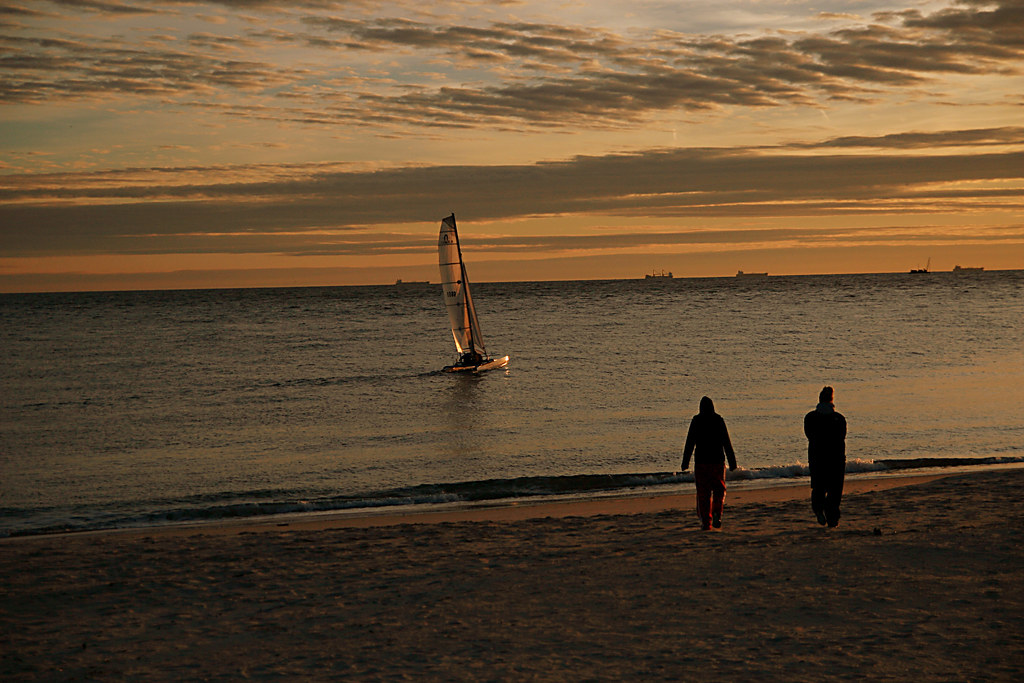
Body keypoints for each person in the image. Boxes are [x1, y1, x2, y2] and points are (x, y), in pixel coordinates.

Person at [681, 396, 737, 530]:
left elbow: (690, 443)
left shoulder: (697, 421)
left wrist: (685, 462)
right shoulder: (718, 420)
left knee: (703, 494)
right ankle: (717, 511)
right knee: (719, 489)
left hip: (701, 463)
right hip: (717, 462)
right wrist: (732, 461)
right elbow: (726, 442)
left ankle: (706, 522)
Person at [804, 386, 847, 528]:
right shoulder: (839, 419)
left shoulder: (810, 417)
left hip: (817, 457)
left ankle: (818, 510)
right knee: (835, 491)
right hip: (835, 459)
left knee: (818, 487)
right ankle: (832, 518)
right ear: (831, 400)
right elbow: (842, 438)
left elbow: (809, 435)